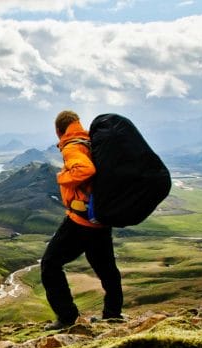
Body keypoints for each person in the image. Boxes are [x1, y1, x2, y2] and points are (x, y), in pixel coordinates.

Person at [41, 110, 123, 330]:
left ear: (59, 131)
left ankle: (66, 316)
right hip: (99, 219)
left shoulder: (72, 146)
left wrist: (62, 177)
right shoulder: (89, 141)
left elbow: (86, 170)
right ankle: (113, 313)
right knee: (106, 268)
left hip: (81, 220)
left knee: (50, 264)